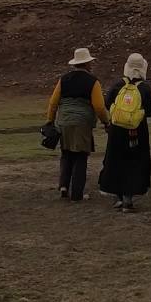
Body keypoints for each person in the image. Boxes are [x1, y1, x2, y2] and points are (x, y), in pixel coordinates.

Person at [45, 48, 108, 202]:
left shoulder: (64, 79)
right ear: (86, 64)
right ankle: (77, 194)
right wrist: (106, 122)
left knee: (66, 153)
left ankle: (63, 186)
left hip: (64, 122)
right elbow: (99, 106)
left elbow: (53, 103)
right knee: (80, 156)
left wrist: (50, 121)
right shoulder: (93, 81)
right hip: (82, 123)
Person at [98, 53, 151, 212]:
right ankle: (128, 200)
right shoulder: (144, 88)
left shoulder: (118, 84)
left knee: (116, 160)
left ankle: (117, 196)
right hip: (137, 131)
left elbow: (107, 102)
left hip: (116, 130)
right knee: (135, 163)